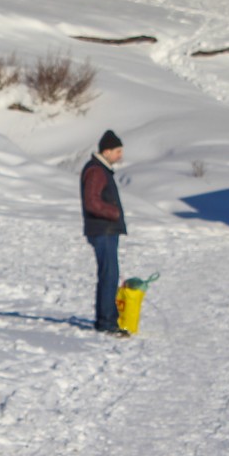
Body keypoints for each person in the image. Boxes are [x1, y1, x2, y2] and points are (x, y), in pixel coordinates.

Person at [81, 130, 129, 336]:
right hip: (103, 230)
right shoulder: (96, 170)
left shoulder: (101, 169)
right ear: (107, 151)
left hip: (105, 229)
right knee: (109, 276)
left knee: (110, 275)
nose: (120, 155)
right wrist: (114, 212)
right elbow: (91, 201)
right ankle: (107, 321)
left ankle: (107, 319)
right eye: (118, 151)